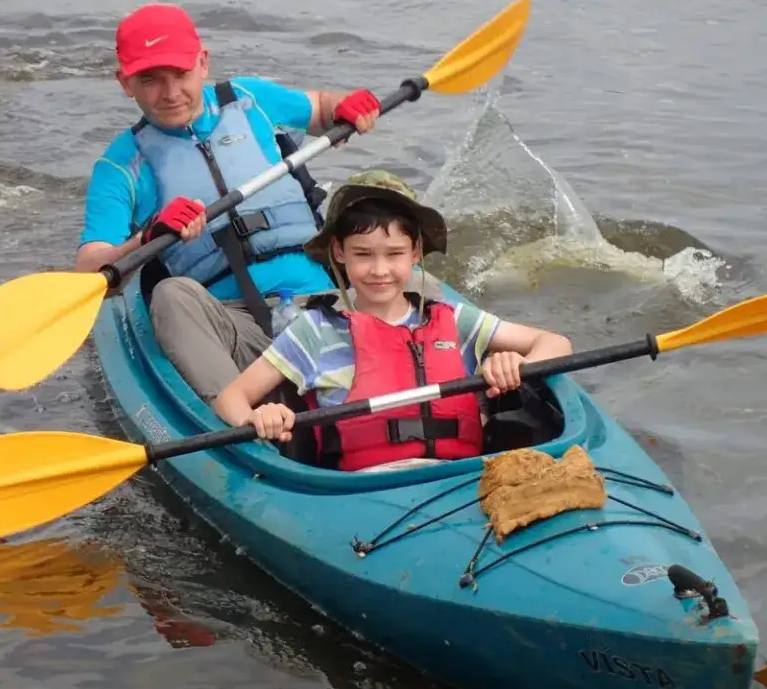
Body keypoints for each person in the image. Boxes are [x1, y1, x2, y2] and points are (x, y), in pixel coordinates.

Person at [75, 2, 383, 402]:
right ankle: (237, 415)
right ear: (124, 82)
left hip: (330, 303)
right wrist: (148, 237)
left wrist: (347, 106)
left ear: (203, 62)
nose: (170, 94)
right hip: (234, 332)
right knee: (171, 297)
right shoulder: (120, 166)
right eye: (149, 79)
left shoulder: (249, 99)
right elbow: (88, 273)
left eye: (181, 74)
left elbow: (322, 108)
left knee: (393, 241)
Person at [213, 171, 574, 471]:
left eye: (395, 254)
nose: (380, 270)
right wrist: (258, 419)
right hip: (367, 494)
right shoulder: (315, 332)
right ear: (339, 253)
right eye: (363, 255)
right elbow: (231, 397)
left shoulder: (458, 321)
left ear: (416, 253)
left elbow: (557, 344)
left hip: (460, 480)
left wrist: (517, 365)